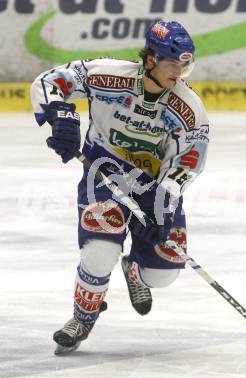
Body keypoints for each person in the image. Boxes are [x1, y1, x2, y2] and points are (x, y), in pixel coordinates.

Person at [31, 20, 209, 354]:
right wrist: (61, 116)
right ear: (152, 59)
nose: (180, 73)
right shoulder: (108, 75)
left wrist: (165, 200)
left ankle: (136, 269)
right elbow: (49, 82)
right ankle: (82, 317)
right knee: (100, 251)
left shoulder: (188, 107)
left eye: (185, 65)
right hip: (103, 173)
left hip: (152, 187)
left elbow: (190, 159)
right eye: (173, 64)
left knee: (164, 273)